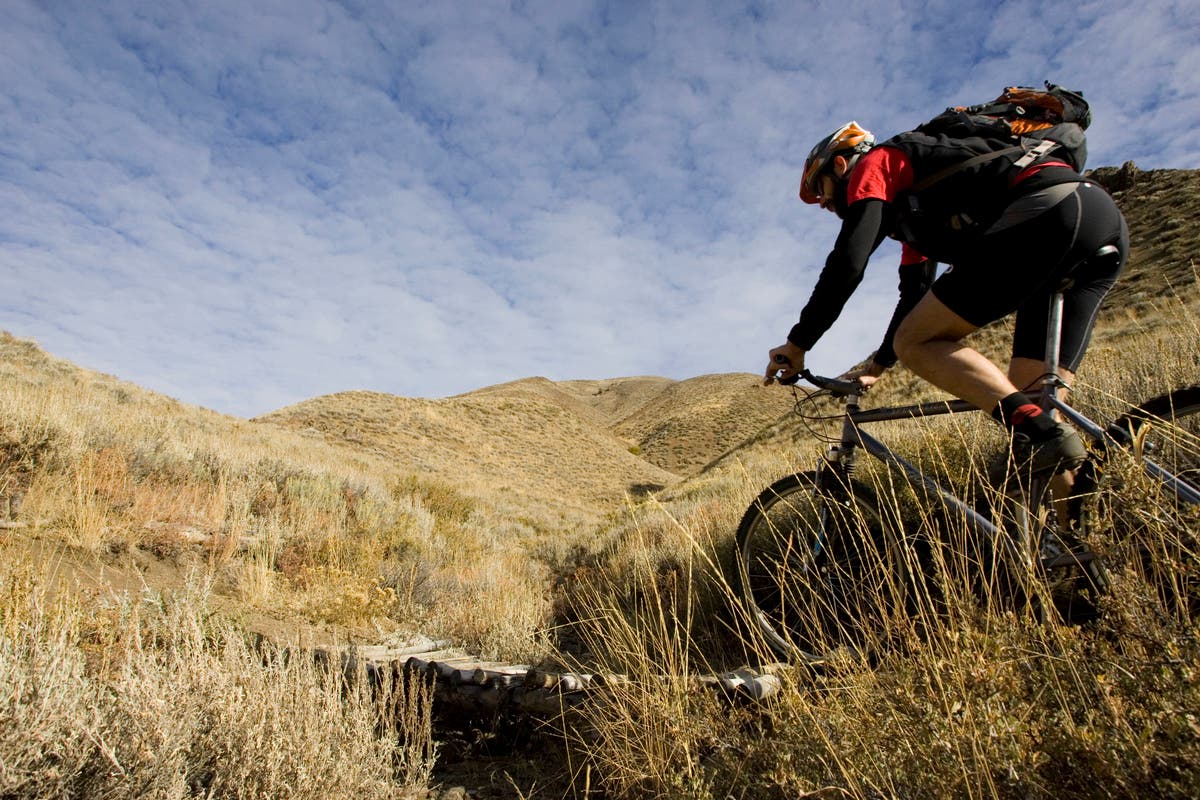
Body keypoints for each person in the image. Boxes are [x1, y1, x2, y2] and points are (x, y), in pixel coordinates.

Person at [763, 120, 1129, 476]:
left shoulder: (877, 164)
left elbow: (848, 263)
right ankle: (1071, 533)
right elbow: (915, 295)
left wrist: (798, 343)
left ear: (840, 165)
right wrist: (878, 367)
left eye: (822, 191)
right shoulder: (914, 215)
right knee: (1037, 424)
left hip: (1044, 213)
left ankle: (1038, 431)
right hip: (1093, 215)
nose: (825, 204)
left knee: (922, 347)